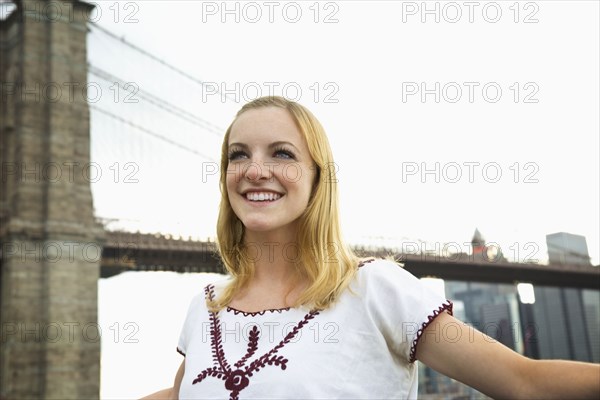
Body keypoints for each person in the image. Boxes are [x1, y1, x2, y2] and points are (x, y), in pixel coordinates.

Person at [142, 96, 599, 400]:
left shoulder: (374, 288)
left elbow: (523, 383)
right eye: (238, 154)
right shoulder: (207, 306)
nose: (254, 169)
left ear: (319, 179)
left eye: (282, 154)